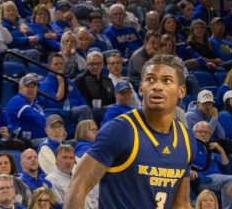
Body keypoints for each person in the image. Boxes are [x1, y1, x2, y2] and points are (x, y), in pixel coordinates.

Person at [63, 55, 191, 209]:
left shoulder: (186, 139)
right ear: (141, 88)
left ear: (181, 91)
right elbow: (77, 187)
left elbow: (181, 204)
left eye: (167, 80)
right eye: (150, 80)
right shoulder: (120, 130)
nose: (157, 86)